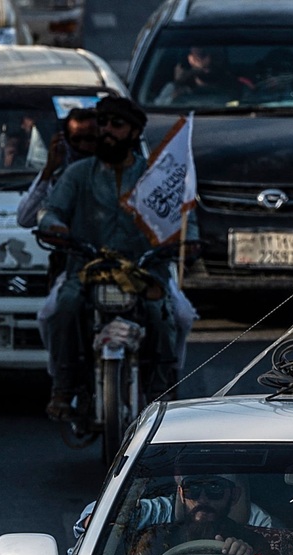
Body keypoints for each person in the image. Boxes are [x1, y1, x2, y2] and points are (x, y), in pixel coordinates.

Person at [38, 95, 192, 420]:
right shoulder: (79, 173)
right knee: (62, 308)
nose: (107, 131)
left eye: (116, 125)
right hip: (87, 268)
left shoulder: (155, 175)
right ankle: (64, 388)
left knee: (169, 315)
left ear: (134, 133)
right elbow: (52, 211)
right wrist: (54, 226)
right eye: (103, 123)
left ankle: (163, 392)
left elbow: (183, 213)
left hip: (145, 270)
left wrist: (189, 240)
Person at [16, 107, 98, 378]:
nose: (86, 146)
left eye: (92, 139)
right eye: (79, 140)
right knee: (51, 314)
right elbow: (26, 217)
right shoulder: (62, 177)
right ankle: (62, 382)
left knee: (174, 315)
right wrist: (50, 169)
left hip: (127, 264)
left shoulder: (122, 170)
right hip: (77, 265)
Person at [126, 475, 273, 555]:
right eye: (193, 489)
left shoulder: (254, 543)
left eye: (215, 488)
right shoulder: (154, 540)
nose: (202, 500)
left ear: (234, 495)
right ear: (182, 495)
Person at [154, 46, 248, 105]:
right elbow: (156, 114)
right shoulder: (173, 89)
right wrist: (177, 88)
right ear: (191, 59)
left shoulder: (240, 88)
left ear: (224, 58)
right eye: (201, 55)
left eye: (215, 56)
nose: (209, 61)